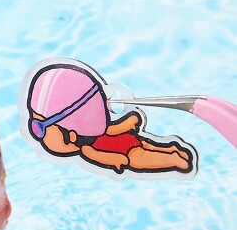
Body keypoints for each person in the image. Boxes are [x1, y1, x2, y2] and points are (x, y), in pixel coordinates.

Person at [27, 63, 194, 175]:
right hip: (127, 143)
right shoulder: (93, 138)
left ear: (69, 133)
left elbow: (102, 153)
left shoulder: (87, 150)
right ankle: (172, 151)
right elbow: (112, 130)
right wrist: (130, 123)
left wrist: (120, 159)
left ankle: (173, 158)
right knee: (147, 148)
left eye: (38, 127)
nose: (35, 133)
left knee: (143, 158)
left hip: (128, 152)